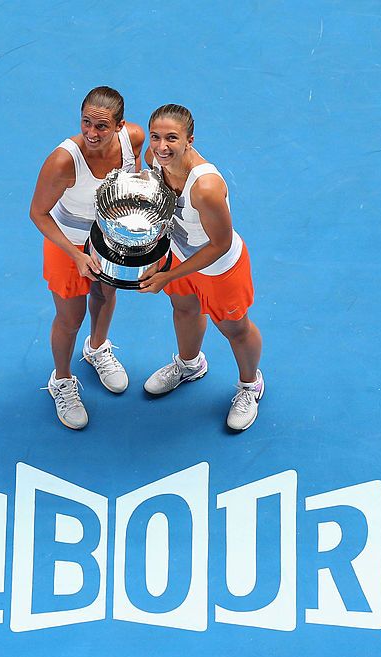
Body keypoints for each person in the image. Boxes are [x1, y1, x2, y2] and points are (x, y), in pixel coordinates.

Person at [138, 104, 264, 430]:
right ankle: (189, 365)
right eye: (155, 137)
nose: (161, 146)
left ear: (189, 140)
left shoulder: (205, 188)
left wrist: (167, 274)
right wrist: (154, 256)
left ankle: (251, 385)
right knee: (183, 310)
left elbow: (218, 244)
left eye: (171, 138)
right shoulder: (155, 162)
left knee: (235, 330)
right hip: (179, 254)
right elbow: (159, 212)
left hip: (219, 268)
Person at [29, 86, 145, 430]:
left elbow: (133, 179)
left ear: (120, 126)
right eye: (85, 124)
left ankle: (97, 348)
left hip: (108, 240)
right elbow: (38, 214)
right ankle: (62, 380)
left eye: (102, 127)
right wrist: (76, 256)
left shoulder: (134, 139)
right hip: (68, 243)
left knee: (106, 293)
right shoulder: (63, 160)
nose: (91, 134)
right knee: (70, 316)